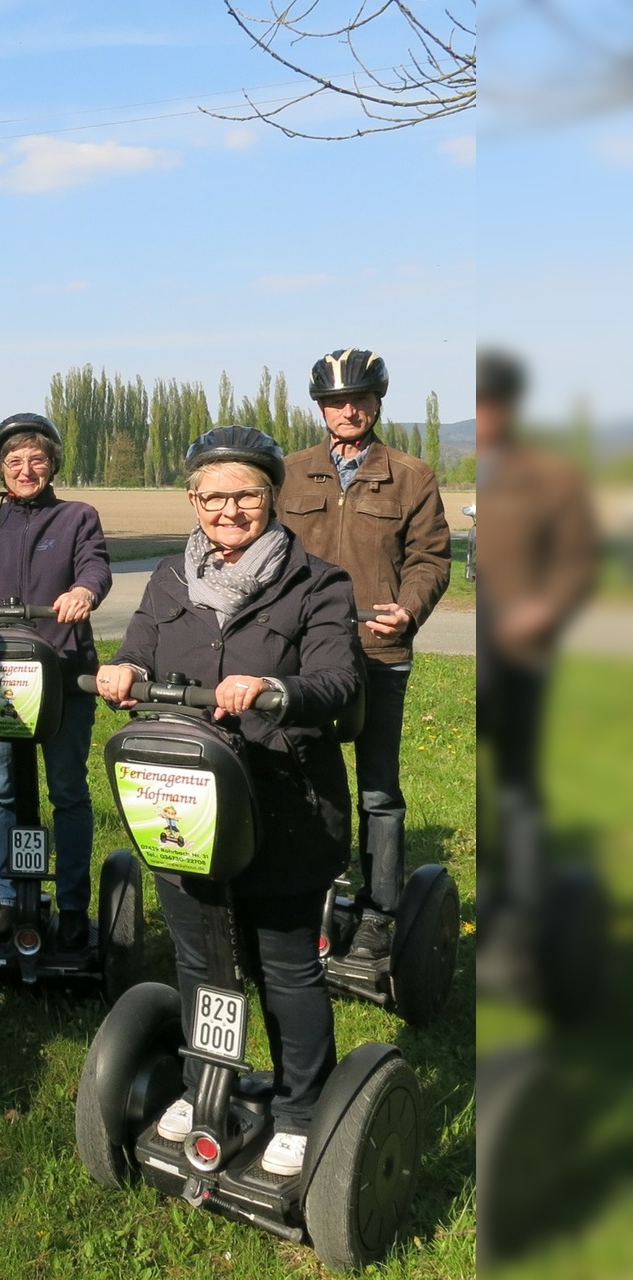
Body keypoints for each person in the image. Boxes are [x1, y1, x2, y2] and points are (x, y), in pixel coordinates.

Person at [94, 425, 363, 1178]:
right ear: (192, 500)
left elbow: (339, 682)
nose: (228, 509)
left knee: (285, 967)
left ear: (271, 496)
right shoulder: (169, 580)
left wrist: (273, 690)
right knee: (202, 957)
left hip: (285, 805)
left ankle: (301, 1108)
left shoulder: (318, 583)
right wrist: (120, 671)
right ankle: (205, 1079)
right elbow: (140, 647)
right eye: (212, 496)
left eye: (245, 493)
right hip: (185, 802)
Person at [276, 348, 449, 963]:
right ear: (320, 407)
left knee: (378, 789)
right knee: (297, 779)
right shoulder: (288, 472)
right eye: (333, 401)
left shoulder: (410, 474)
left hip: (378, 651)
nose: (346, 411)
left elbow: (430, 558)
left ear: (376, 403)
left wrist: (409, 607)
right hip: (301, 655)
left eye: (358, 399)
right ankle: (302, 895)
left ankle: (379, 911)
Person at [0, 412, 111, 948]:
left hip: (62, 671)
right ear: (1, 469)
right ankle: (7, 899)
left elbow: (96, 568)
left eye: (36, 459)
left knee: (68, 791)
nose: (25, 469)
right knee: (0, 788)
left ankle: (75, 905)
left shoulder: (77, 517)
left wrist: (83, 592)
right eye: (14, 461)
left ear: (52, 463)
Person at [471, 349, 600, 952]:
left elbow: (580, 563)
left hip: (524, 653)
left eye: (489, 406)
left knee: (518, 782)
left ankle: (522, 909)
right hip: (481, 648)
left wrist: (543, 611)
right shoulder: (479, 475)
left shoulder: (550, 477)